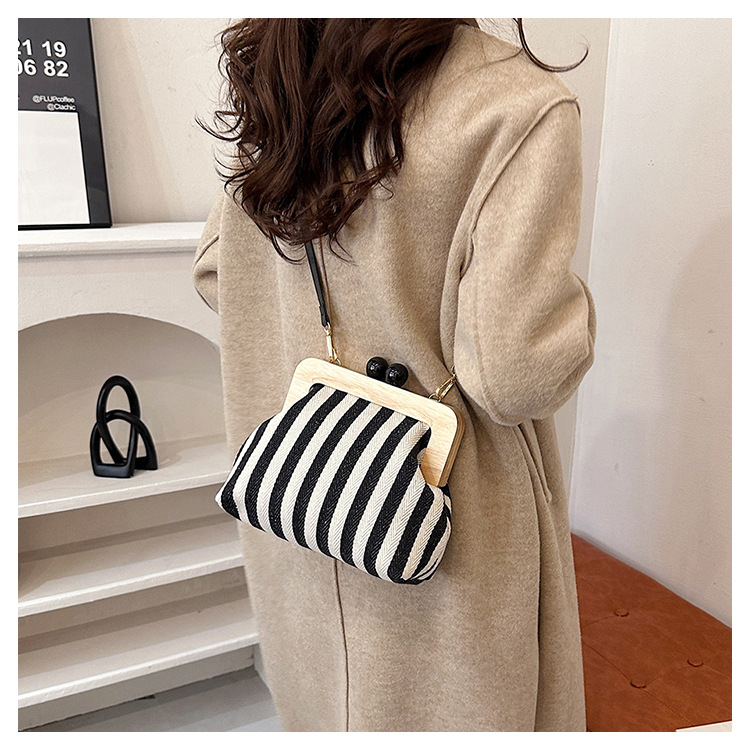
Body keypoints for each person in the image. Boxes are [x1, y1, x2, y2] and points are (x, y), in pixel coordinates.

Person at [193, 18, 596, 732]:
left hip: (302, 506)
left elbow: (215, 274)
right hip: (451, 537)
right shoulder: (511, 105)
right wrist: (577, 312)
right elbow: (515, 374)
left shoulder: (279, 83)